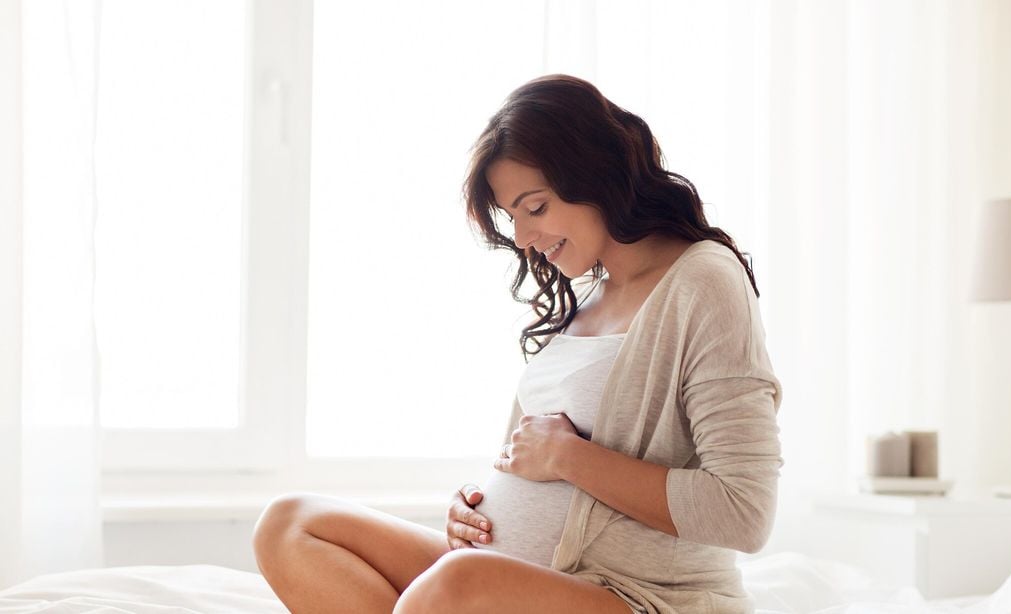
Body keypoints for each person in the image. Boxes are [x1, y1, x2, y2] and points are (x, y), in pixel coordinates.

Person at [252, 74, 783, 614]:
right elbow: (530, 460)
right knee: (291, 524)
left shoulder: (703, 281)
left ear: (597, 174)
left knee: (457, 585)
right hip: (511, 579)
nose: (524, 239)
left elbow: (743, 511)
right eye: (513, 217)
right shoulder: (587, 292)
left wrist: (571, 459)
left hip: (637, 595)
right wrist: (475, 508)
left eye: (536, 207)